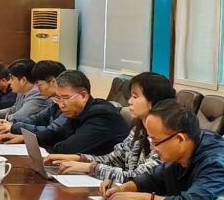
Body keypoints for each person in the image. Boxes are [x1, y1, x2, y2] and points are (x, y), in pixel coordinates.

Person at [102, 101, 224, 200]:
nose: (152, 148)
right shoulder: (181, 153)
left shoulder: (217, 164)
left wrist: (143, 199)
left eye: (155, 142)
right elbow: (154, 178)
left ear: (180, 139)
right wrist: (123, 188)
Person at [45, 71, 175, 185]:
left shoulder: (165, 137)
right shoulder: (138, 130)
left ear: (153, 102)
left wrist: (90, 167)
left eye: (135, 97)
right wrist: (79, 159)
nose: (129, 101)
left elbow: (139, 178)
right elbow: (114, 159)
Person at [2, 70, 124, 154]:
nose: (61, 105)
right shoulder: (77, 111)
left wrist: (51, 141)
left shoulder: (102, 115)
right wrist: (28, 138)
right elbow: (56, 134)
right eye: (58, 98)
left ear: (83, 96)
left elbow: (68, 148)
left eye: (65, 98)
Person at [0, 59, 66, 136]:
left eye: (39, 84)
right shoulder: (55, 104)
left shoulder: (67, 104)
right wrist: (11, 123)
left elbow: (52, 130)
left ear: (53, 82)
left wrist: (13, 127)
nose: (37, 88)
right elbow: (36, 119)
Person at [0, 58, 47, 123]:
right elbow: (14, 109)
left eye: (12, 78)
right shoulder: (22, 91)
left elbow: (20, 116)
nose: (9, 82)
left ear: (23, 80)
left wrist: (2, 119)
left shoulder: (37, 93)